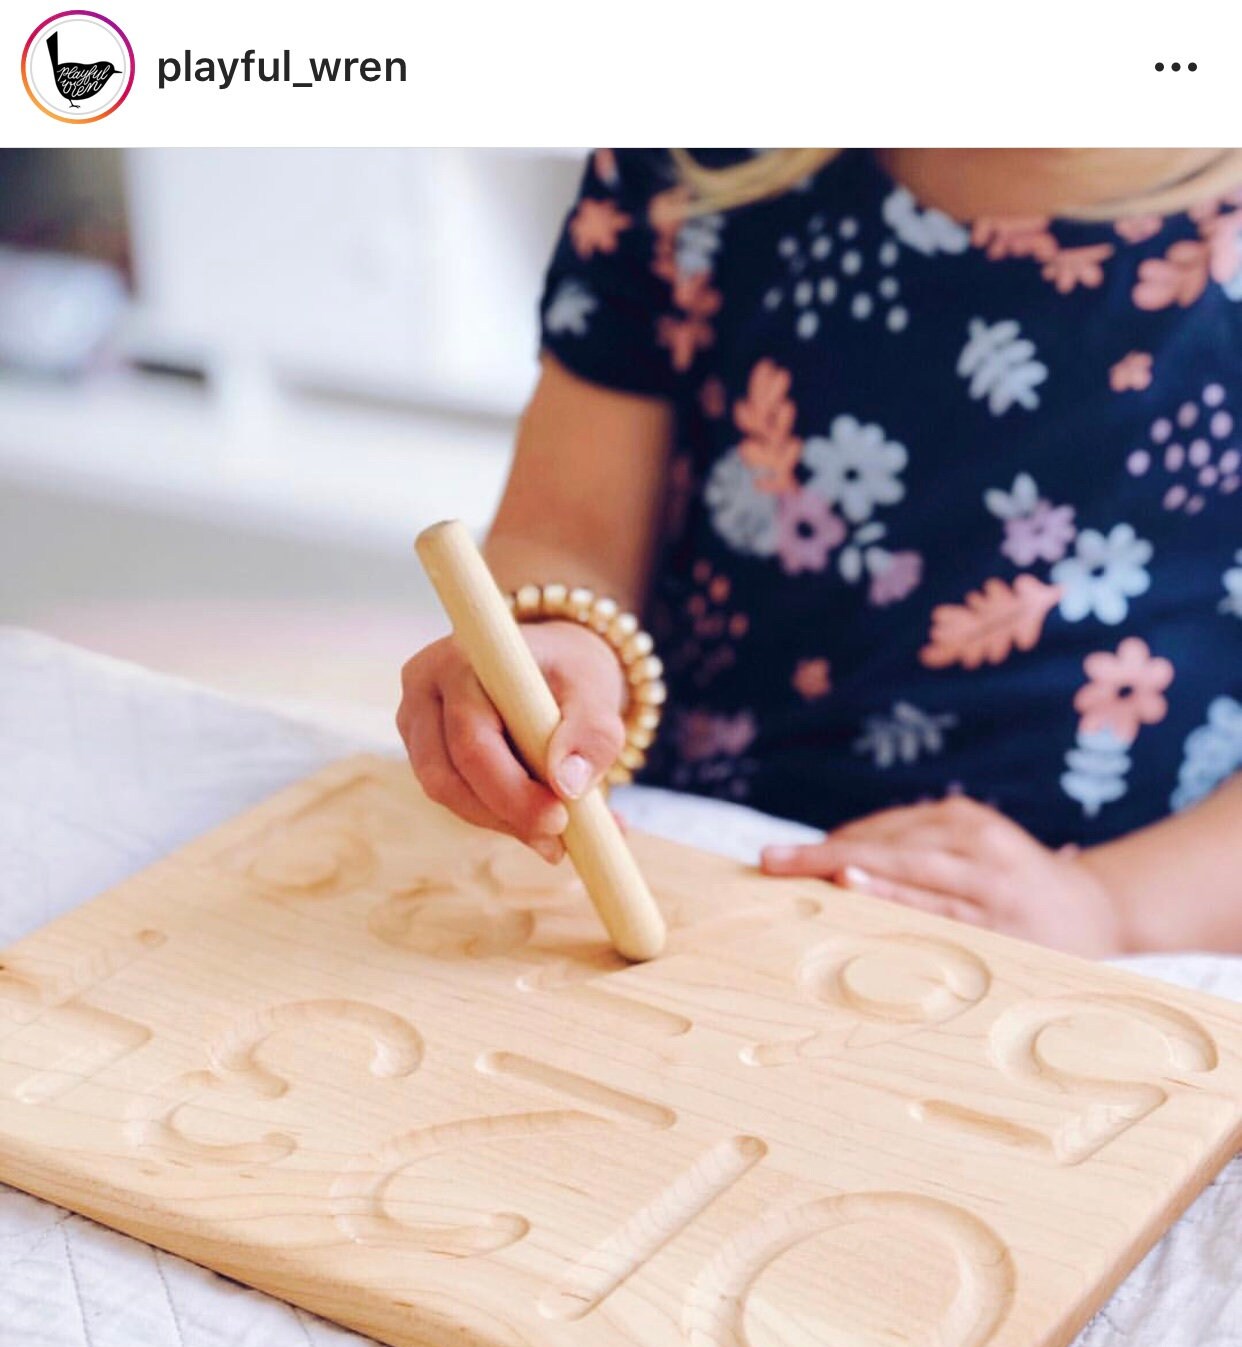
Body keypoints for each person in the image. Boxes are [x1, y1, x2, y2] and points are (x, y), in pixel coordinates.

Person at [396, 149, 1242, 955]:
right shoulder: (696, 159)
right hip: (695, 850)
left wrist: (1110, 903)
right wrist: (551, 646)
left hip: (1101, 918)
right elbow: (563, 532)